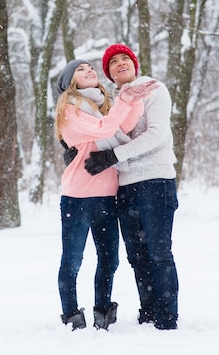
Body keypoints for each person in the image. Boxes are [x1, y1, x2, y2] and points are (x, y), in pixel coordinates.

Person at [54, 58, 157, 331]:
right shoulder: (70, 109)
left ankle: (103, 313)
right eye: (80, 69)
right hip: (77, 198)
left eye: (89, 67)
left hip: (107, 196)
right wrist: (124, 100)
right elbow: (105, 129)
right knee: (72, 261)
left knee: (109, 259)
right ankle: (71, 316)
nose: (88, 70)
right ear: (70, 82)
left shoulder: (105, 107)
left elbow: (124, 126)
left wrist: (132, 99)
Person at [84, 44, 180, 330]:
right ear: (109, 73)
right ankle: (148, 313)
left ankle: (166, 318)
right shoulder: (112, 105)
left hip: (156, 181)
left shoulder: (153, 89)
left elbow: (157, 135)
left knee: (159, 253)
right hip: (125, 186)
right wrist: (78, 149)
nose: (120, 63)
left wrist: (114, 156)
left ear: (135, 65)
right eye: (113, 62)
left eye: (125, 58)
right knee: (136, 256)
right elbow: (105, 138)